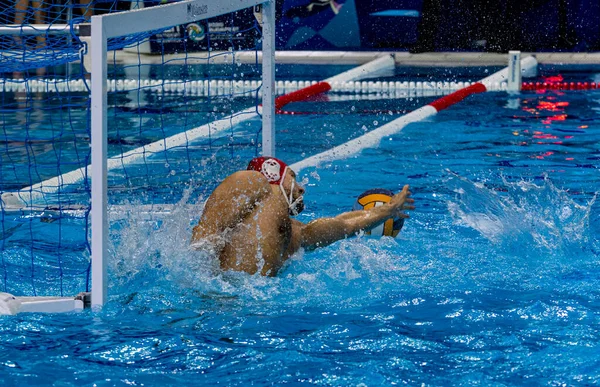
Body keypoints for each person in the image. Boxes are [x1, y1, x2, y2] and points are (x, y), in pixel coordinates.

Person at [191, 157, 415, 276]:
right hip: (217, 303)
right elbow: (203, 237)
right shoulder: (251, 181)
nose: (300, 189)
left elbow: (343, 225)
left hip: (254, 309)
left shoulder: (294, 232)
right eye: (293, 177)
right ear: (273, 175)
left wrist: (387, 210)